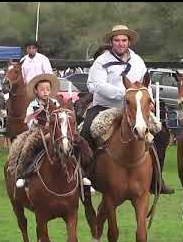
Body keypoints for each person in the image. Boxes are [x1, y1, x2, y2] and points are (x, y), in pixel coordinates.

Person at [81, 25, 174, 194]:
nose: (120, 43)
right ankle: (85, 177)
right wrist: (124, 95)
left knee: (161, 135)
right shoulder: (101, 61)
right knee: (86, 132)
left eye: (124, 40)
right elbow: (98, 86)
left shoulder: (138, 60)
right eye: (117, 40)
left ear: (129, 42)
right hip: (105, 106)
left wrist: (149, 100)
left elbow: (146, 83)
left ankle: (156, 179)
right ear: (111, 42)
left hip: (135, 108)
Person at [15, 73, 60, 188]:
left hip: (55, 131)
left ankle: (81, 173)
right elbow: (28, 120)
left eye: (47, 89)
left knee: (73, 141)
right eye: (42, 89)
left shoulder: (55, 103)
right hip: (38, 132)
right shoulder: (33, 105)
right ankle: (22, 174)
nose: (45, 92)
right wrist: (34, 121)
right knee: (28, 146)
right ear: (36, 91)